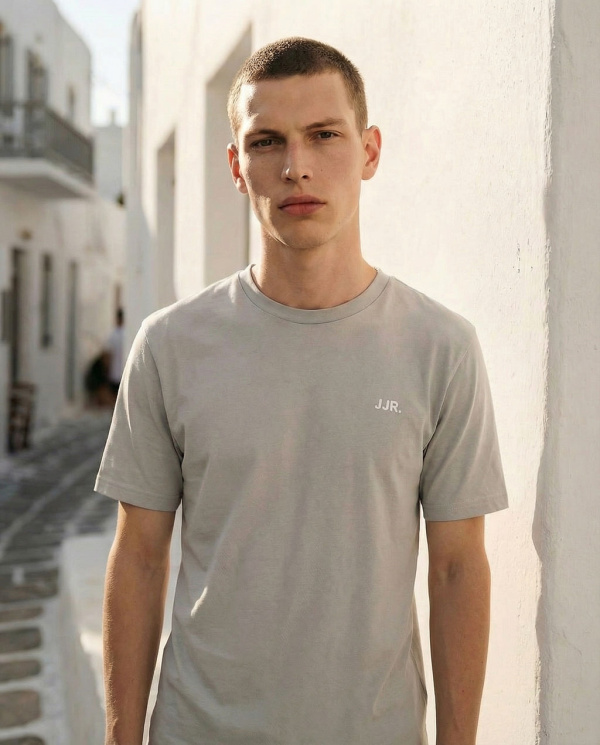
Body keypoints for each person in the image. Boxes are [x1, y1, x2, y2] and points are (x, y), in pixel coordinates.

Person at [97, 37, 508, 745]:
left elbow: (456, 567)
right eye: (267, 142)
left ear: (369, 151)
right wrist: (118, 737)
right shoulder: (170, 345)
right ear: (237, 166)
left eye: (324, 135)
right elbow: (138, 557)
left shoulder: (441, 347)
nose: (296, 167)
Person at [105, 308, 125, 400]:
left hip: (115, 373)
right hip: (124, 372)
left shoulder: (114, 334)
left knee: (115, 399)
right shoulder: (127, 334)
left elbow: (108, 354)